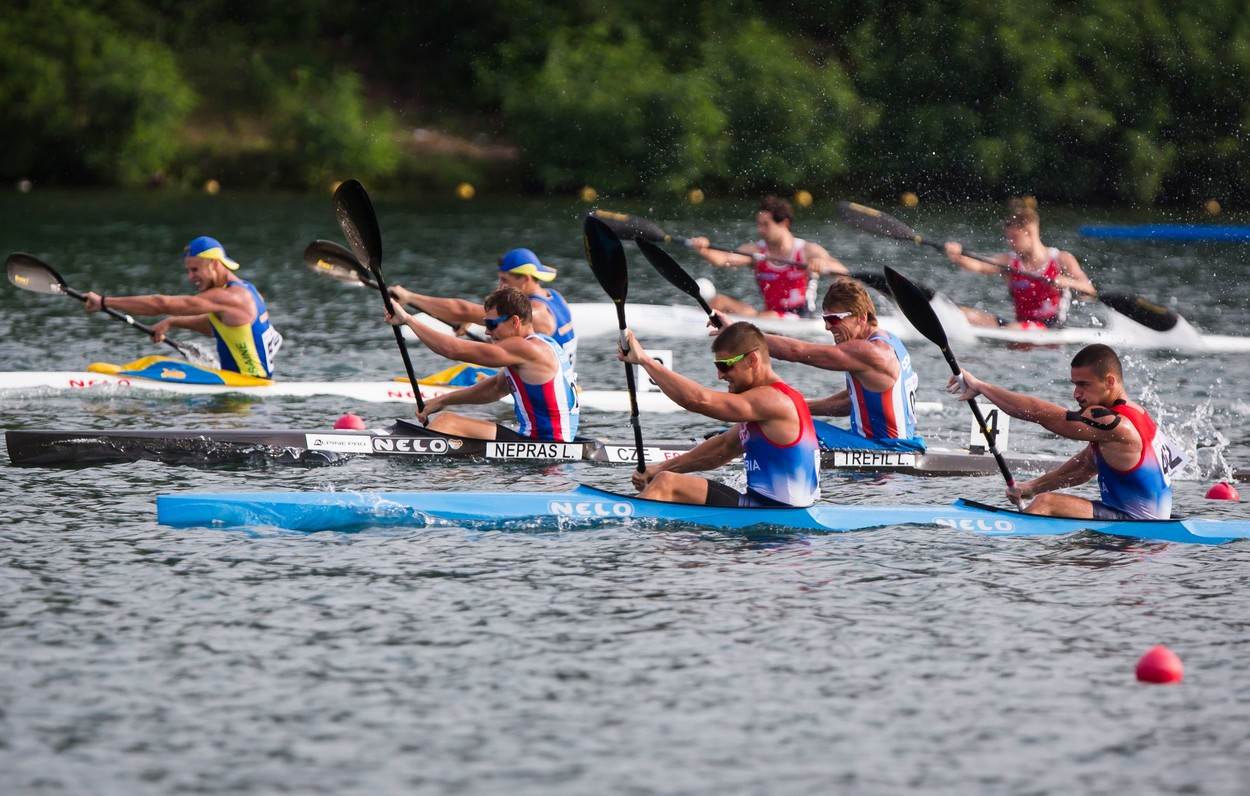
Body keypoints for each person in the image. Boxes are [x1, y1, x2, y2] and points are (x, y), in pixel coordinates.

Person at [946, 344, 1183, 519]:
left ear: (1110, 381)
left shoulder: (1115, 424)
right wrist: (1030, 488)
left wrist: (982, 387)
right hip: (1139, 523)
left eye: (1084, 385)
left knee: (1047, 503)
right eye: (1075, 385)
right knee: (1043, 498)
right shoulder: (1137, 415)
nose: (1076, 394)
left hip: (1137, 526)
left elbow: (1041, 414)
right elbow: (1084, 467)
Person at [618, 321, 820, 507]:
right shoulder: (763, 404)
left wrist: (646, 361)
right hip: (760, 506)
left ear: (752, 360)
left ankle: (624, 524)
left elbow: (698, 401)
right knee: (665, 479)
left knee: (666, 484)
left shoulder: (773, 400)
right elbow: (722, 448)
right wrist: (660, 467)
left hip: (779, 515)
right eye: (717, 366)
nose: (720, 375)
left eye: (725, 365)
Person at [713, 278, 923, 452]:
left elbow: (798, 352)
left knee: (777, 426)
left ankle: (723, 445)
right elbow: (851, 403)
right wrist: (795, 407)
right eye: (825, 319)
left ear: (861, 318)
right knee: (781, 419)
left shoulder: (871, 352)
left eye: (834, 319)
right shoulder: (890, 341)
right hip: (889, 445)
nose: (827, 327)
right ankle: (727, 441)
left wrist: (738, 333)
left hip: (887, 450)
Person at [384, 287, 579, 442]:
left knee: (448, 423)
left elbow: (454, 350)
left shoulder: (525, 348)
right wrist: (443, 400)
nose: (487, 332)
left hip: (547, 446)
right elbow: (495, 388)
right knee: (449, 422)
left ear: (515, 322)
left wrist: (408, 320)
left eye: (492, 325)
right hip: (539, 441)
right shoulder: (543, 343)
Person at [82, 236, 282, 378]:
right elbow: (219, 327)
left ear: (213, 264)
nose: (190, 277)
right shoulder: (248, 290)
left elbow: (161, 304)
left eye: (195, 269)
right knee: (154, 364)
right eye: (188, 270)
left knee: (155, 364)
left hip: (248, 386)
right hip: (247, 383)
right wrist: (172, 322)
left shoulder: (231, 297)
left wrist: (103, 302)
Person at [389, 247, 577, 377]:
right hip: (556, 375)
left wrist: (409, 297)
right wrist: (484, 324)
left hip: (543, 382)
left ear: (526, 279)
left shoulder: (534, 312)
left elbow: (463, 310)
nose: (500, 286)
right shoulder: (555, 296)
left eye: (505, 280)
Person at [689, 195, 847, 318]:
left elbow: (843, 273)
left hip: (800, 317)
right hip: (767, 315)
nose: (760, 230)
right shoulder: (755, 251)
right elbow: (724, 259)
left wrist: (822, 265)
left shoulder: (807, 250)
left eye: (766, 225)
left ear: (784, 223)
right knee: (719, 302)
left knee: (766, 316)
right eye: (758, 224)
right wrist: (704, 249)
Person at [944, 202, 1096, 329]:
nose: (1010, 243)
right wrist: (957, 256)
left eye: (1014, 238)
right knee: (960, 314)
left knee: (1014, 328)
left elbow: (1090, 290)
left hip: (1051, 328)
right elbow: (979, 265)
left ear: (1029, 233)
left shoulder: (1062, 259)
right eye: (1008, 238)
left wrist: (1065, 281)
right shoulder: (1009, 262)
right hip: (1019, 326)